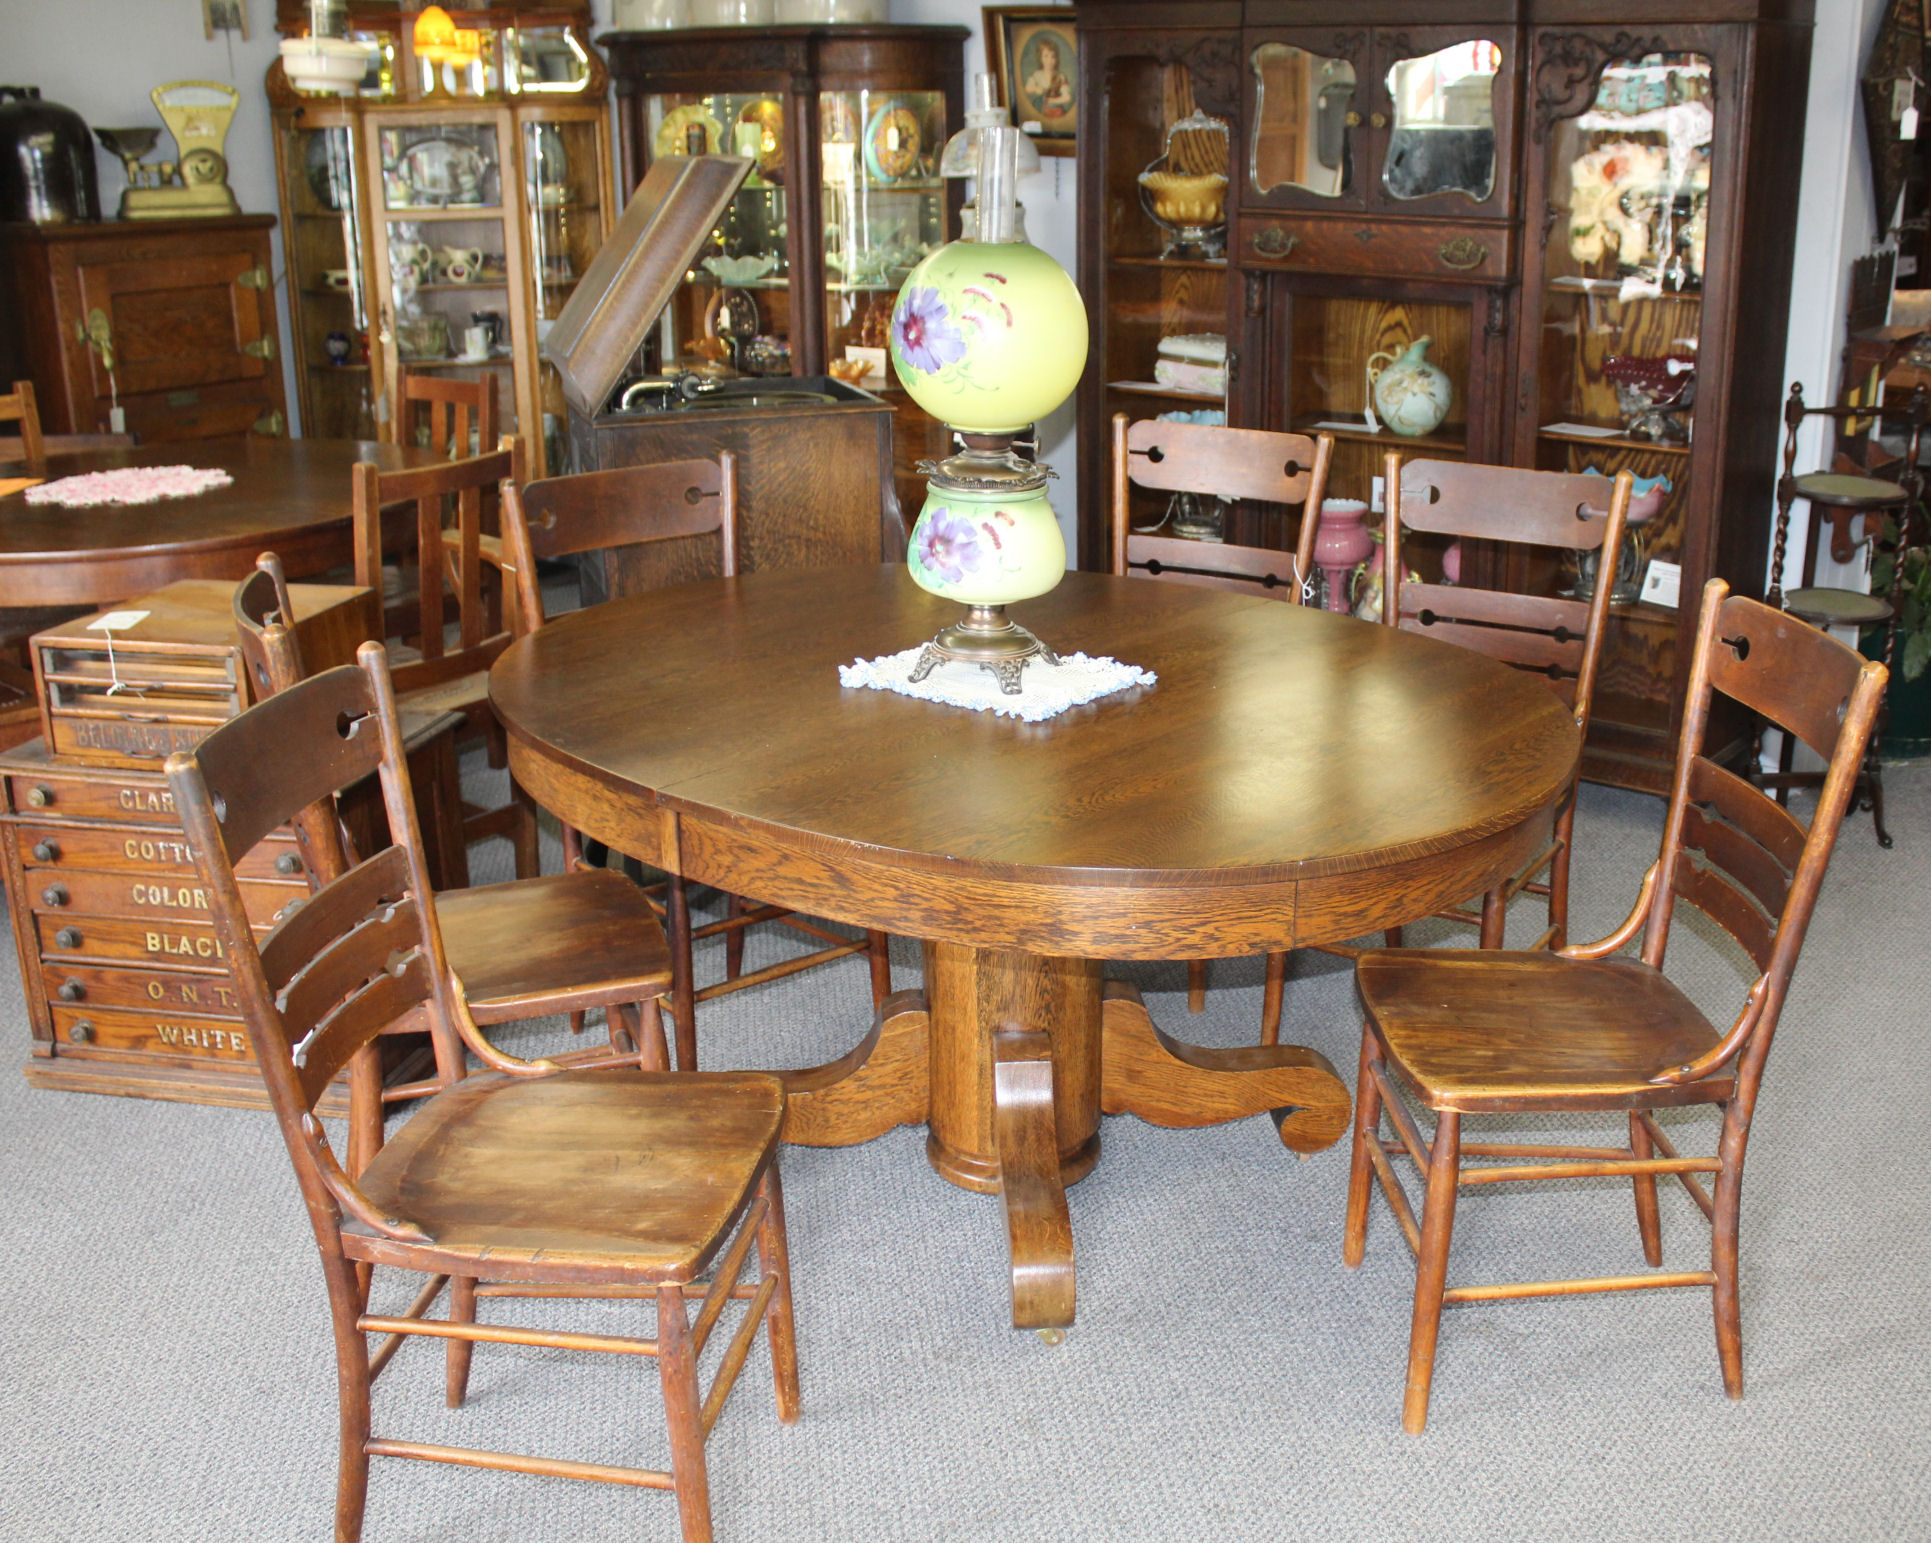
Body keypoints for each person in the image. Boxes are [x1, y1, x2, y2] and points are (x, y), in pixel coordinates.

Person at [1023, 36, 1073, 121]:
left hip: (1056, 110)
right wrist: (1036, 89)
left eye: (1052, 56)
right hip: (1040, 109)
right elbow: (1027, 88)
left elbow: (1067, 97)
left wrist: (1052, 101)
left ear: (1056, 59)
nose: (1049, 60)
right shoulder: (1037, 75)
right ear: (1040, 58)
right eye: (1046, 56)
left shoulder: (1061, 77)